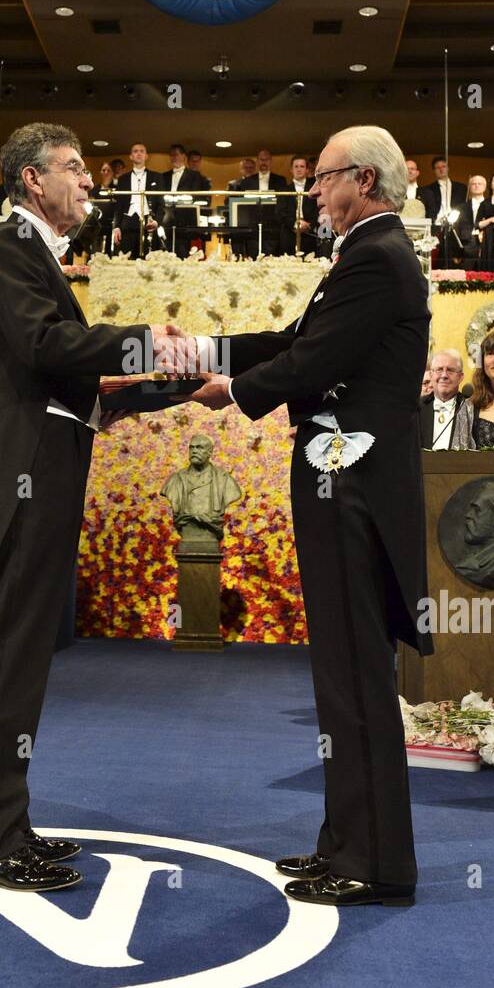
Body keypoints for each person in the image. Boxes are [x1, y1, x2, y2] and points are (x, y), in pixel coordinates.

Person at [185, 124, 432, 908]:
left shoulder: (377, 257)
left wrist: (231, 391)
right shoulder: (366, 256)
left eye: (321, 180)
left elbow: (308, 362)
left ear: (361, 179)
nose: (314, 194)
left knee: (354, 676)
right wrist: (201, 351)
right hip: (343, 485)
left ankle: (373, 862)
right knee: (343, 673)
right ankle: (348, 844)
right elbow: (292, 340)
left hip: (352, 488)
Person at [0, 121, 169, 893]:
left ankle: (7, 824)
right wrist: (142, 345)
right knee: (8, 655)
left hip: (47, 467)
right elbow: (42, 346)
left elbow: (66, 386)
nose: (88, 181)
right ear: (31, 179)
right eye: (73, 168)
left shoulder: (34, 257)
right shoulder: (7, 249)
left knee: (26, 655)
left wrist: (151, 387)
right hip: (21, 478)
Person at [112, 143, 163, 258]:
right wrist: (116, 227)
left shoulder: (157, 177)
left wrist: (156, 221)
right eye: (135, 151)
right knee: (126, 260)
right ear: (131, 156)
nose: (138, 153)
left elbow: (161, 204)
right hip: (127, 222)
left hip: (148, 222)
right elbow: (118, 206)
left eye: (141, 151)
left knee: (149, 261)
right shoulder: (122, 179)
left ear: (146, 156)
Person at [161, 144, 209, 258]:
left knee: (182, 250)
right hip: (166, 217)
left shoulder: (194, 176)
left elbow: (194, 196)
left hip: (184, 218)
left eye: (176, 154)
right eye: (171, 155)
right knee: (165, 249)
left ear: (183, 156)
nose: (174, 157)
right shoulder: (163, 176)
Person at [419, 349, 465, 449]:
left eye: (450, 370)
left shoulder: (469, 408)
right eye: (439, 369)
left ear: (461, 377)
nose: (444, 375)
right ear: (431, 375)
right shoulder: (416, 409)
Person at [279, 155, 319, 255]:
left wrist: (309, 225)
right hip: (289, 234)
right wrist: (294, 223)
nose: (299, 169)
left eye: (302, 166)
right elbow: (280, 213)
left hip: (310, 234)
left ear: (307, 170)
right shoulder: (284, 190)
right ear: (291, 170)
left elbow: (319, 210)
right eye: (296, 166)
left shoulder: (314, 189)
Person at [458, 174, 487, 269]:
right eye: (474, 184)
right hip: (467, 244)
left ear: (485, 187)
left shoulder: (490, 206)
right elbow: (458, 228)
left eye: (480, 183)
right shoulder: (461, 207)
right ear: (469, 187)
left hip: (486, 242)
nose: (477, 185)